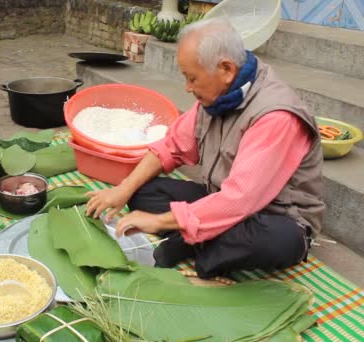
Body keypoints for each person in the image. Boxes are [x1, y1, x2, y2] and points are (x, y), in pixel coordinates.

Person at [85, 18, 325, 279]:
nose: (187, 88)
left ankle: (193, 243)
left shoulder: (276, 116)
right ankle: (199, 238)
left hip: (273, 218)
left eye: (192, 78)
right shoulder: (216, 95)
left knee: (275, 241)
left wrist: (158, 221)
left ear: (226, 69)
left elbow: (239, 200)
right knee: (143, 192)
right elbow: (171, 147)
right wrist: (123, 190)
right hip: (222, 198)